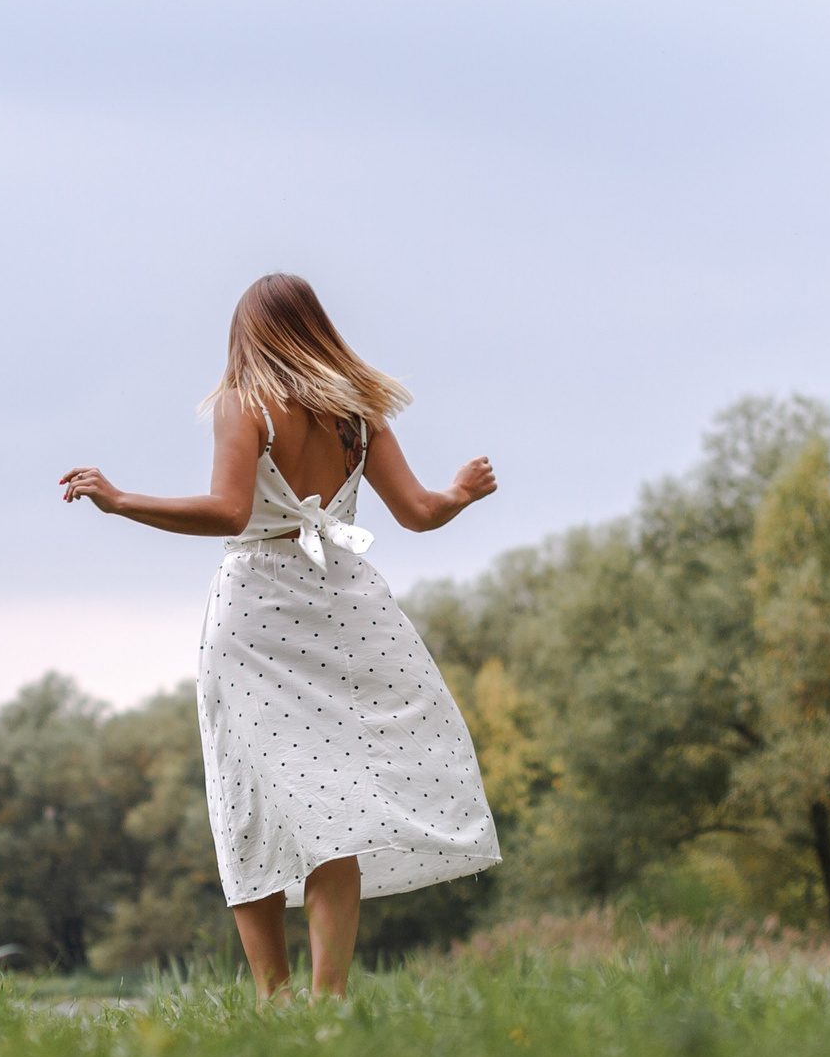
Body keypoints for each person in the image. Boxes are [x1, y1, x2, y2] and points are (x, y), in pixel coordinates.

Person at [58, 274, 501, 999]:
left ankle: (275, 995)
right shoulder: (358, 410)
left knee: (246, 798)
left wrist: (120, 500)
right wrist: (460, 491)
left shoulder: (245, 402)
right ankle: (328, 1001)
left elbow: (230, 513)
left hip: (259, 612)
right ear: (318, 328)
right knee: (340, 807)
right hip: (345, 606)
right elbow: (420, 511)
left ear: (248, 336)